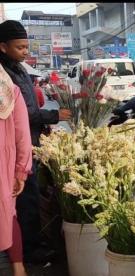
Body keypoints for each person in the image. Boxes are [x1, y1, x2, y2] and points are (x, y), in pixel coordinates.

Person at [0, 20, 70, 264]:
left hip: (29, 141)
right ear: (2, 47)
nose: (25, 51)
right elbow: (23, 114)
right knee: (25, 199)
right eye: (20, 47)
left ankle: (31, 245)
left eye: (26, 46)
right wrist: (54, 116)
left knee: (30, 195)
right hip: (17, 147)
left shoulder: (18, 69)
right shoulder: (5, 75)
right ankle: (28, 252)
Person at [0, 63, 32, 276]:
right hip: (3, 168)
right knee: (7, 215)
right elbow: (22, 135)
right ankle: (18, 268)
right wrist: (20, 171)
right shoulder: (8, 90)